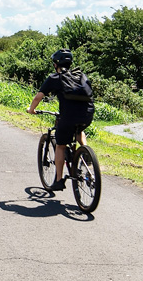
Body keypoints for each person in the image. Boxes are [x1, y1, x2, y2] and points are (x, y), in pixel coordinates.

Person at [27, 49, 95, 191]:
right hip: (87, 113)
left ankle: (58, 180)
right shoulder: (80, 75)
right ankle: (85, 153)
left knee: (61, 145)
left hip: (68, 116)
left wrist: (31, 109)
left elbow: (38, 97)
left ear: (55, 64)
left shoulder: (55, 78)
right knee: (79, 129)